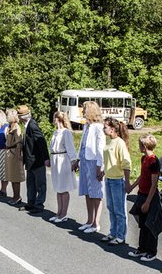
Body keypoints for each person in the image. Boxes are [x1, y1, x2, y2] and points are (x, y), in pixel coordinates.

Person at [128, 134, 162, 262]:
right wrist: (132, 186)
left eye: (140, 144)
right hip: (141, 194)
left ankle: (151, 252)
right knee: (142, 224)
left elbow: (154, 184)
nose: (139, 146)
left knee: (150, 225)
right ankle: (141, 248)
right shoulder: (144, 159)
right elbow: (142, 176)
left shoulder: (153, 161)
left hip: (150, 197)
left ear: (145, 146)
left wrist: (148, 202)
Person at [101, 117, 131, 245]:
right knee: (111, 207)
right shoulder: (109, 141)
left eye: (105, 127)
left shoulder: (119, 143)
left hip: (117, 180)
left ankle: (120, 236)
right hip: (108, 178)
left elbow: (126, 163)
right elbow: (108, 160)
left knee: (119, 209)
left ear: (112, 129)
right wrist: (103, 172)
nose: (103, 129)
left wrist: (128, 181)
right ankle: (112, 232)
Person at [77, 101, 105, 233]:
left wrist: (100, 166)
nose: (82, 112)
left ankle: (96, 223)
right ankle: (89, 220)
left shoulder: (99, 127)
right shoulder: (87, 126)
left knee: (95, 193)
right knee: (87, 192)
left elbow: (100, 148)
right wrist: (77, 159)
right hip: (84, 160)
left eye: (84, 110)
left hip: (93, 161)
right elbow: (82, 143)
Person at [18, 105, 49, 214]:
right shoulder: (27, 126)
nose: (19, 118)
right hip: (30, 160)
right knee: (30, 184)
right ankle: (31, 203)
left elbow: (41, 142)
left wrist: (46, 158)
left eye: (20, 116)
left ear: (24, 117)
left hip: (37, 160)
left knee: (40, 184)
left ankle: (39, 204)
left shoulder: (32, 125)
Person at [48, 111, 77, 222]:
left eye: (54, 118)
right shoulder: (56, 132)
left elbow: (70, 148)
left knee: (64, 188)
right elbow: (52, 147)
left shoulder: (66, 133)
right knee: (58, 188)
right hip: (55, 159)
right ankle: (59, 212)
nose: (53, 120)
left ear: (58, 119)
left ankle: (64, 214)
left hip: (63, 160)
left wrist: (73, 161)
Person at [5, 109, 24, 205]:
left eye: (8, 115)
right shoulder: (9, 127)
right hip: (9, 153)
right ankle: (14, 195)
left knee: (16, 177)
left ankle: (17, 196)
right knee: (12, 176)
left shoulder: (17, 127)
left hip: (15, 154)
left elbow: (19, 143)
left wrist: (18, 155)